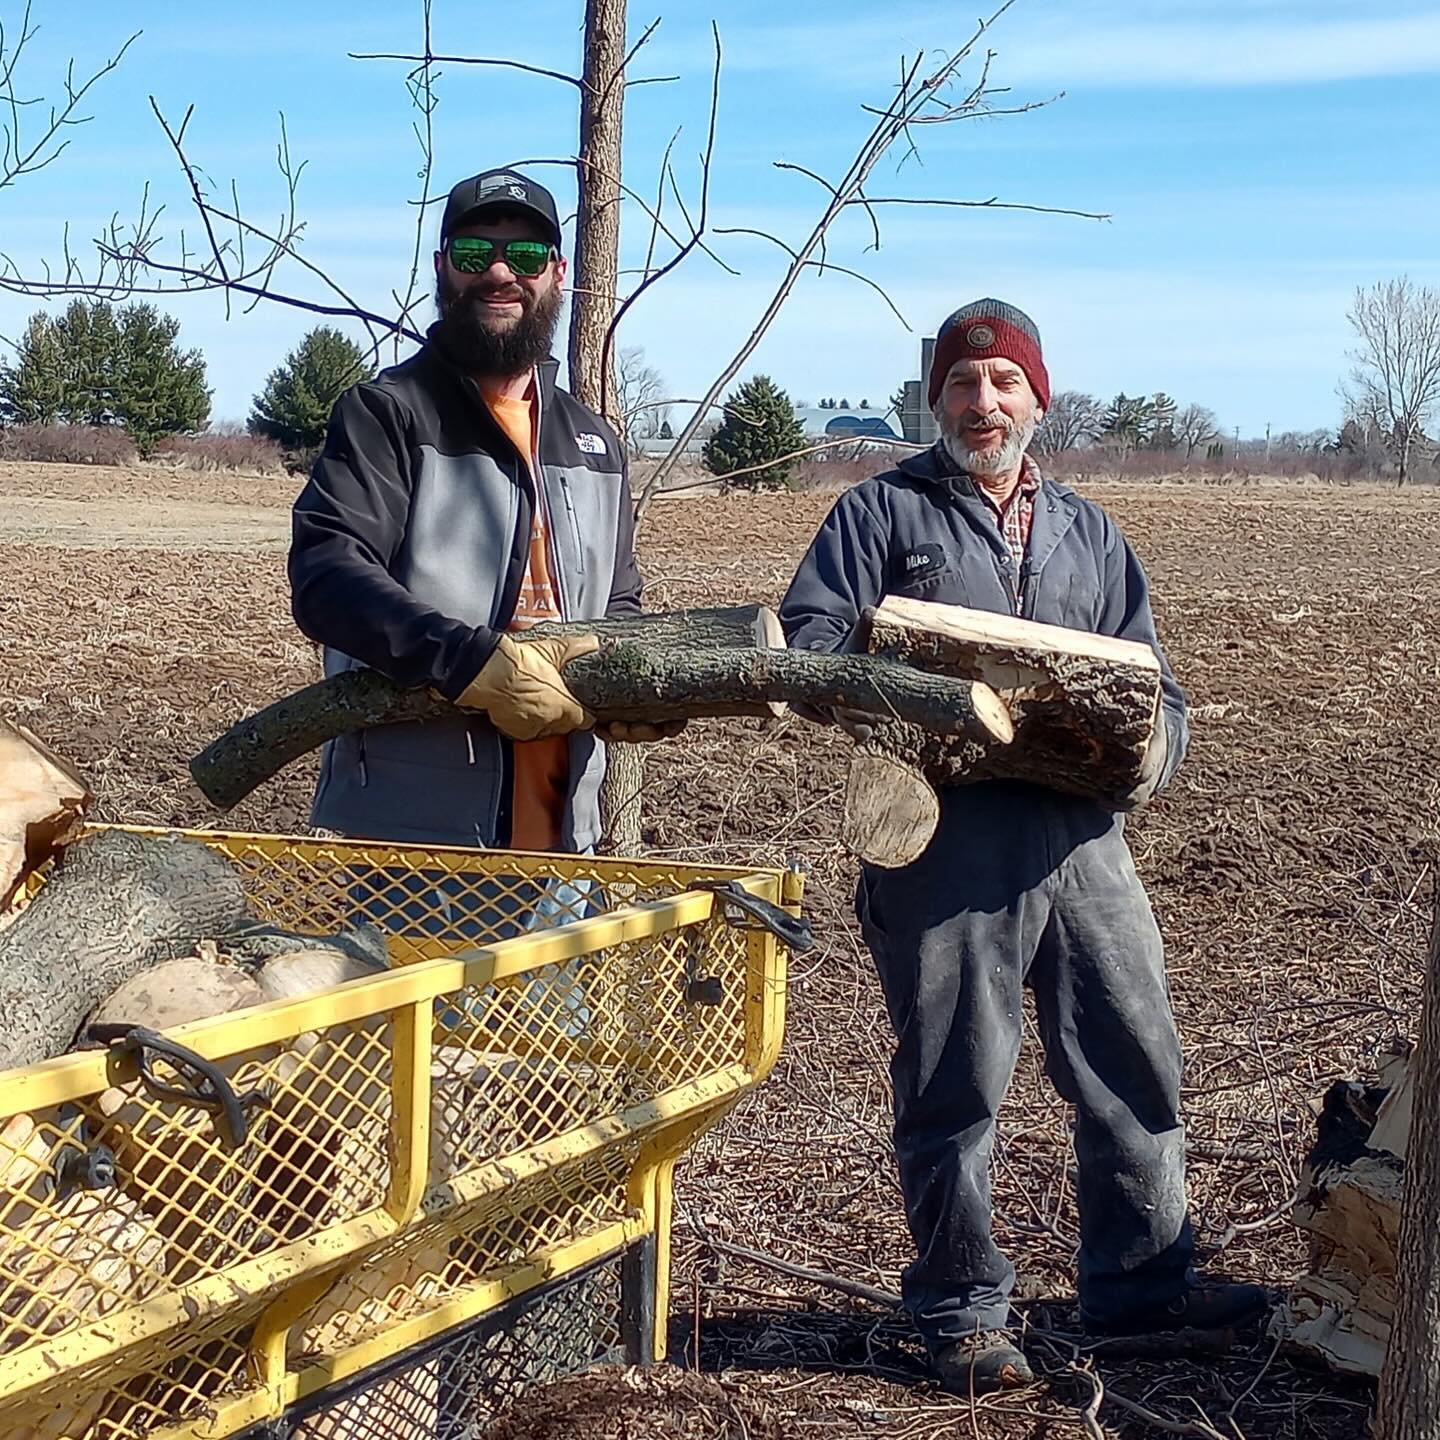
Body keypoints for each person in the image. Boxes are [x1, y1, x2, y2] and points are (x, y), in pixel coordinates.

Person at [779, 299, 1266, 1394]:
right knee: (955, 1082)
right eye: (963, 384)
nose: (983, 404)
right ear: (934, 398)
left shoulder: (1091, 532)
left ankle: (1143, 1289)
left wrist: (1150, 756)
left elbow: (1156, 684)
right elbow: (807, 650)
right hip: (947, 843)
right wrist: (918, 692)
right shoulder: (877, 516)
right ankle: (958, 1308)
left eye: (1004, 385)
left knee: (1136, 1061)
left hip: (1085, 839)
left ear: (1038, 399)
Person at [288, 166, 676, 876]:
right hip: (414, 845)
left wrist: (640, 683)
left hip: (567, 842)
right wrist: (470, 663)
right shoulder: (389, 414)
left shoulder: (594, 443)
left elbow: (619, 606)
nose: (500, 273)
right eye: (475, 254)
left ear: (558, 273)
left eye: (525, 256)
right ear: (442, 268)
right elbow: (327, 578)